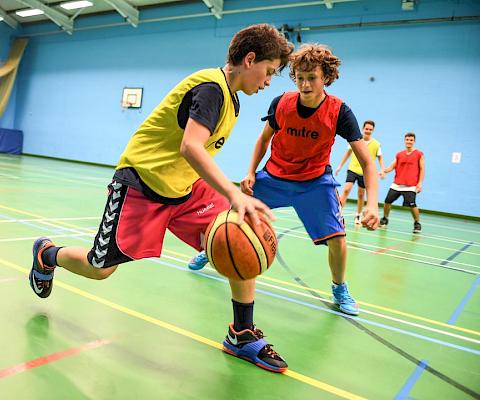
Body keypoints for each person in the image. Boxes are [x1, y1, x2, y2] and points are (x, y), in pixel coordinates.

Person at [29, 24, 294, 373]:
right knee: (100, 268)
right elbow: (190, 147)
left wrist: (231, 198)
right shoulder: (211, 90)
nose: (268, 81)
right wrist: (231, 191)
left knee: (241, 236)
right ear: (250, 59)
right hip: (141, 184)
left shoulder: (233, 101)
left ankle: (242, 333)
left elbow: (192, 155)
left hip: (184, 189)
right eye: (270, 72)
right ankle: (48, 254)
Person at [189, 43, 379, 316]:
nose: (305, 84)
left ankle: (339, 288)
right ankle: (213, 250)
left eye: (311, 78)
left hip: (314, 182)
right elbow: (263, 139)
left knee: (338, 238)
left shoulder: (340, 112)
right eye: (300, 78)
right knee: (235, 212)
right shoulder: (281, 103)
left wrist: (371, 203)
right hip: (275, 176)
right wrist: (251, 171)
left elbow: (367, 162)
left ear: (325, 77)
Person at [335, 120, 385, 224]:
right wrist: (339, 166)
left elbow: (380, 158)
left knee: (361, 194)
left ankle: (358, 215)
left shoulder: (376, 144)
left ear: (373, 130)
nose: (368, 131)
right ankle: (337, 212)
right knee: (346, 190)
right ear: (363, 129)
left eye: (370, 129)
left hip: (364, 172)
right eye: (366, 129)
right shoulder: (356, 139)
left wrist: (382, 170)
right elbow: (347, 154)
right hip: (353, 169)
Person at [380, 132, 425, 233]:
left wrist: (420, 183)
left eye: (411, 140)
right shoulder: (399, 154)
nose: (409, 142)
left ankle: (417, 223)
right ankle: (385, 219)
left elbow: (422, 169)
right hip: (397, 184)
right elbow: (392, 166)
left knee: (412, 205)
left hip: (410, 186)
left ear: (414, 141)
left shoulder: (419, 154)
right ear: (404, 141)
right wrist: (383, 171)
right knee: (387, 201)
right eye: (407, 140)